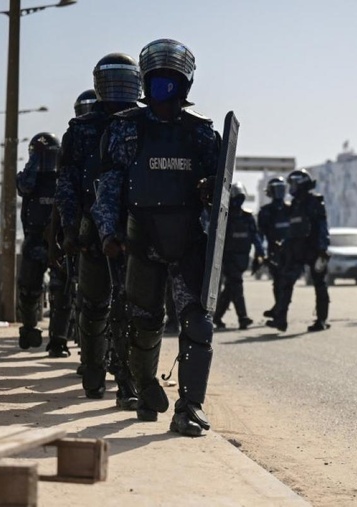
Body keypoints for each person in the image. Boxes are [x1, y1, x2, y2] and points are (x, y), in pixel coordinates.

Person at [91, 38, 221, 437]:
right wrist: (108, 231)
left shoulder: (202, 134)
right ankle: (146, 388)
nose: (166, 90)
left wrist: (210, 189)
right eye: (158, 82)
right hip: (141, 237)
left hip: (189, 241)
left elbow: (222, 190)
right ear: (147, 84)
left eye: (173, 82)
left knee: (197, 324)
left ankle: (190, 407)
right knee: (143, 322)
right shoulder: (125, 129)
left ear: (185, 85)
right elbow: (109, 185)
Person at [56, 54, 142, 406]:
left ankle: (128, 383)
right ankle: (93, 373)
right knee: (93, 306)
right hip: (92, 230)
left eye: (125, 80)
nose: (119, 88)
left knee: (131, 308)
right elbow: (68, 182)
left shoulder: (145, 122)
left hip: (136, 229)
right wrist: (70, 228)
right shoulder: (81, 130)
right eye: (112, 80)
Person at [266, 169, 331, 332]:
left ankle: (321, 320)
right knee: (285, 284)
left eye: (293, 184)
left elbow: (322, 226)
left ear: (301, 184)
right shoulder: (295, 204)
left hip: (313, 249)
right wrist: (284, 246)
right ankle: (280, 319)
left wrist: (323, 248)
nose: (291, 187)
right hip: (295, 250)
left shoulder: (314, 202)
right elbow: (293, 228)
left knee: (319, 284)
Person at [16, 132, 64, 352]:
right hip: (34, 240)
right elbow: (24, 186)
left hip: (60, 242)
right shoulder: (29, 180)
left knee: (61, 290)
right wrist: (36, 159)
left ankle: (59, 339)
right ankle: (29, 328)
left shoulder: (64, 179)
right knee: (28, 289)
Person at [212, 182, 265, 330]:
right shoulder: (224, 216)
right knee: (237, 285)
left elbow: (255, 237)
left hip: (243, 258)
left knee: (230, 289)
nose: (237, 201)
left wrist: (260, 254)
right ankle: (243, 318)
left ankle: (217, 317)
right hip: (228, 258)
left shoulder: (248, 217)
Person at [257, 177, 290, 319]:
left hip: (290, 251)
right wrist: (261, 253)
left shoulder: (291, 209)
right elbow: (260, 235)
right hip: (274, 252)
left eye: (280, 188)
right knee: (278, 282)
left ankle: (279, 312)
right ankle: (279, 310)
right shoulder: (265, 212)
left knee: (284, 283)